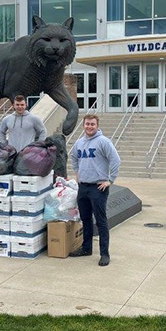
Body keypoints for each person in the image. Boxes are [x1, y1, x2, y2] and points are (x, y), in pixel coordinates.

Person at [70, 114, 121, 267]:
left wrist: (110, 180)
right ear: (83, 125)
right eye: (87, 124)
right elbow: (73, 158)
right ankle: (86, 248)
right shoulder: (79, 143)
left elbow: (116, 159)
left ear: (97, 125)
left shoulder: (103, 142)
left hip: (98, 187)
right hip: (83, 186)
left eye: (92, 124)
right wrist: (77, 174)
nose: (89, 127)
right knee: (85, 219)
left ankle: (104, 254)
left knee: (101, 221)